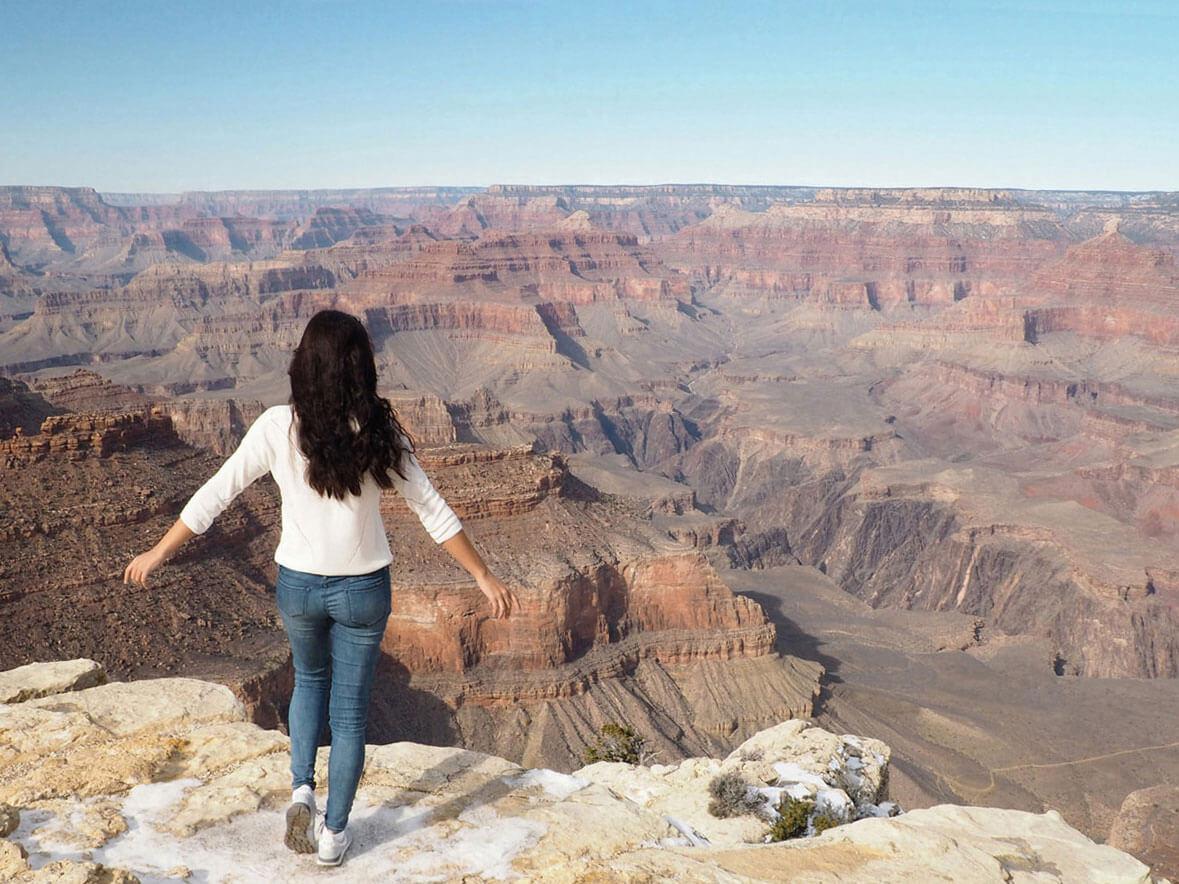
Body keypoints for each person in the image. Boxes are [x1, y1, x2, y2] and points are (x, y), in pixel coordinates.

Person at [124, 309, 517, 867]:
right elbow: (433, 511)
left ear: (303, 365)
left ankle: (301, 790)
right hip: (363, 590)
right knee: (351, 711)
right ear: (362, 368)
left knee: (308, 680)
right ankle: (333, 837)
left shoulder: (276, 426)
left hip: (299, 586)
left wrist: (159, 553)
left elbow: (216, 494)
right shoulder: (379, 431)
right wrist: (481, 574)